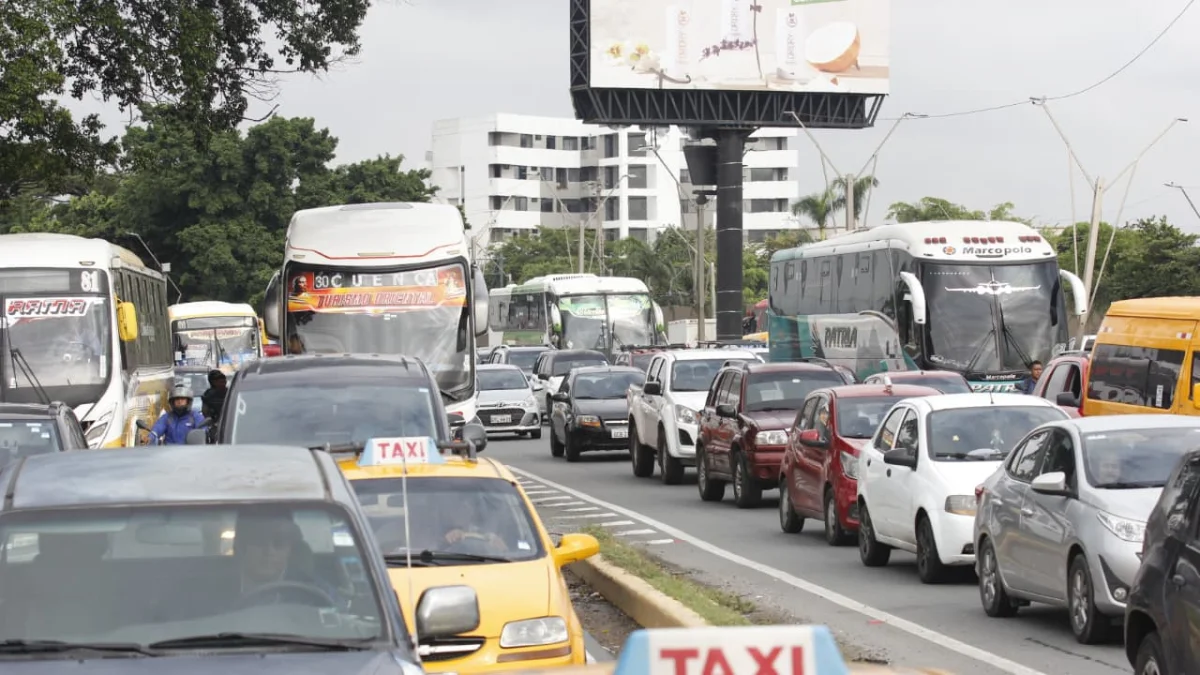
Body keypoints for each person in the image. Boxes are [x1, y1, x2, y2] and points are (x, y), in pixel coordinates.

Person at [233, 510, 341, 607]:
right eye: (259, 541)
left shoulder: (318, 592)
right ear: (242, 545)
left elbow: (343, 618)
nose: (269, 551)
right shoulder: (218, 591)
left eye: (279, 542)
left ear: (290, 549)